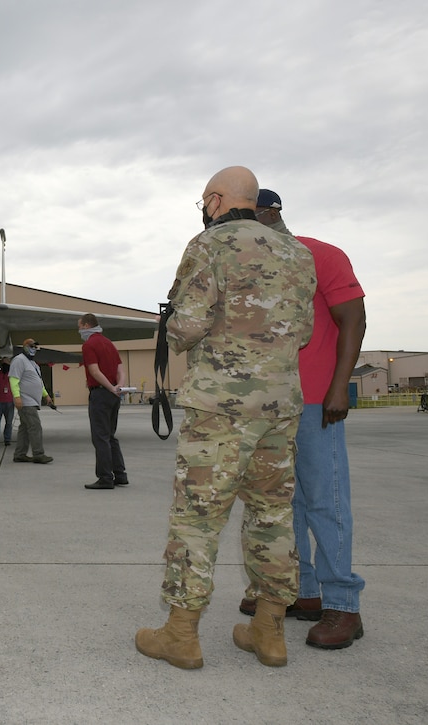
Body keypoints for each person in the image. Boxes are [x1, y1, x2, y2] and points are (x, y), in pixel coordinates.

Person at [134, 167, 316, 669]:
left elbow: (188, 325)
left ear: (215, 199)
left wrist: (173, 329)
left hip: (220, 409)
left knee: (197, 518)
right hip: (280, 408)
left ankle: (181, 634)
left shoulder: (209, 244)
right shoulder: (299, 253)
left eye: (203, 201)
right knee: (273, 515)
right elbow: (302, 332)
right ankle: (269, 632)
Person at [238, 189, 366, 650]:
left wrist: (339, 387)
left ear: (270, 213)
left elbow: (354, 319)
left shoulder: (322, 255)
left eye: (247, 216)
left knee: (325, 502)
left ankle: (343, 606)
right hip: (270, 405)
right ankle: (303, 593)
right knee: (282, 505)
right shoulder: (250, 265)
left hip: (315, 400)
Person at [78, 313, 130, 489]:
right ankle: (120, 474)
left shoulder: (89, 345)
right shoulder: (109, 343)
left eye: (79, 326)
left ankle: (105, 477)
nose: (79, 330)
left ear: (86, 325)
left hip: (100, 394)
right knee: (110, 436)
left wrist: (108, 387)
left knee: (100, 437)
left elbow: (94, 370)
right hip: (114, 395)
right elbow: (120, 370)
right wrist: (118, 387)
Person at [8, 338, 54, 464]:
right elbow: (13, 379)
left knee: (24, 428)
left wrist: (46, 395)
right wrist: (17, 397)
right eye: (31, 346)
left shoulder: (33, 364)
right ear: (24, 346)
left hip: (32, 401)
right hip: (25, 401)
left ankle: (20, 454)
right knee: (35, 426)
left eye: (35, 346)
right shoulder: (19, 360)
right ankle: (38, 454)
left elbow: (38, 382)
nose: (33, 348)